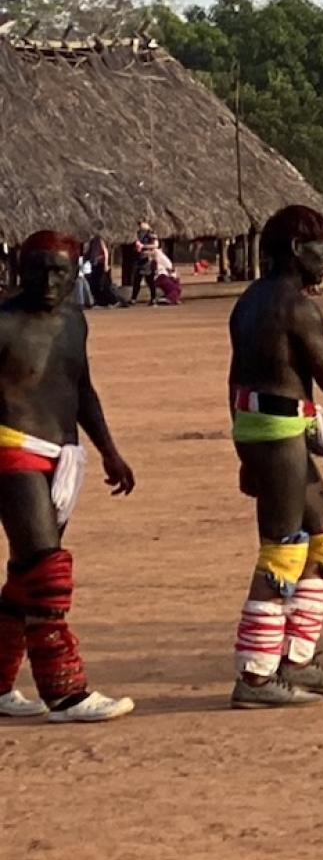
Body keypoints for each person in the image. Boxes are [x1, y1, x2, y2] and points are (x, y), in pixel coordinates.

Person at [226, 205, 323, 706]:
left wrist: (244, 448)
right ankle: (255, 676)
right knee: (282, 550)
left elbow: (235, 380)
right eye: (319, 246)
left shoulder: (249, 301)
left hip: (264, 429)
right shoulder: (297, 307)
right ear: (293, 250)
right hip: (279, 434)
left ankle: (297, 660)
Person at [0, 231, 138, 722]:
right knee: (46, 571)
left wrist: (110, 451)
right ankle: (64, 691)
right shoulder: (4, 323)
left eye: (61, 270)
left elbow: (81, 388)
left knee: (24, 579)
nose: (50, 280)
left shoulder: (73, 323)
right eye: (39, 268)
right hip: (12, 450)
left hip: (63, 456)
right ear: (20, 266)